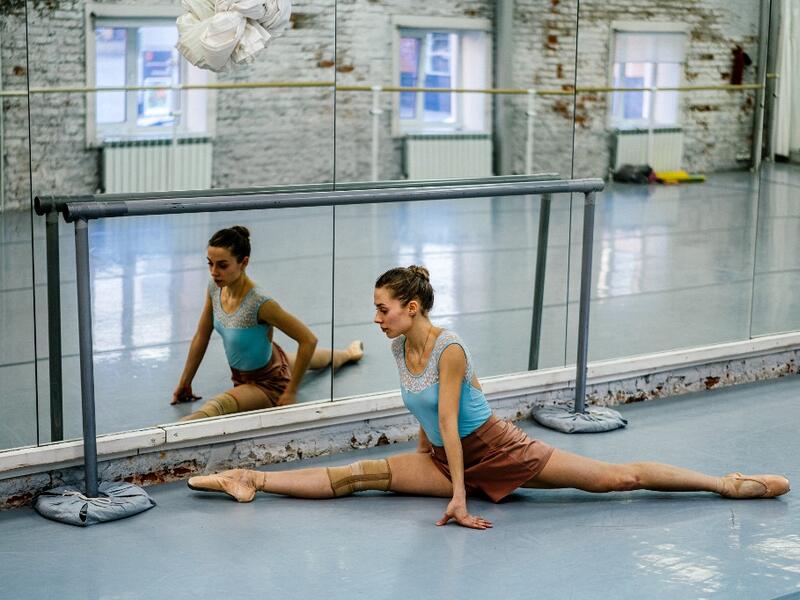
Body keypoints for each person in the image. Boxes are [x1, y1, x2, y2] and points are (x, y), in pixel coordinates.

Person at [187, 265, 791, 529]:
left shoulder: (449, 348)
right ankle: (249, 479)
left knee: (615, 479)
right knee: (356, 476)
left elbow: (452, 419)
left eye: (382, 308)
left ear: (411, 307)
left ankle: (724, 483)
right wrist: (424, 458)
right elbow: (426, 414)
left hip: (496, 450)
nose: (375, 317)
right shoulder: (399, 345)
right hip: (443, 456)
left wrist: (457, 496)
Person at [173, 225, 364, 421]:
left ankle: (348, 355)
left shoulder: (260, 304)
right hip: (272, 361)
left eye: (222, 265)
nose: (214, 272)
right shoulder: (215, 288)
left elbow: (308, 340)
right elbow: (202, 336)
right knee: (314, 360)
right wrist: (185, 382)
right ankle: (348, 354)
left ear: (244, 262)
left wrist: (291, 391)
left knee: (218, 406)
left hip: (267, 384)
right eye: (210, 263)